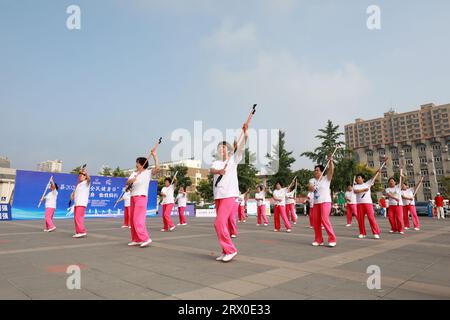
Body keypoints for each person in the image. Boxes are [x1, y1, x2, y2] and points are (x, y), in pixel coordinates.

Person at [210, 123, 248, 263]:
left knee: (219, 223)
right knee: (220, 224)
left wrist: (245, 134)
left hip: (229, 195)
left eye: (224, 147)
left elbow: (242, 146)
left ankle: (231, 249)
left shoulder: (234, 159)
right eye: (220, 148)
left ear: (230, 150)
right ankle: (225, 250)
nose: (222, 149)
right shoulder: (216, 163)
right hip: (218, 196)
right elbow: (212, 171)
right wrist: (219, 171)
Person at [126, 150, 160, 248]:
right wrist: (132, 180)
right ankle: (136, 239)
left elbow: (157, 168)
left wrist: (155, 156)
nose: (136, 165)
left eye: (137, 163)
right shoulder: (134, 173)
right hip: (133, 197)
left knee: (138, 219)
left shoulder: (147, 173)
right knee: (132, 220)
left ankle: (145, 238)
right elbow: (127, 182)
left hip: (141, 197)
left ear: (142, 164)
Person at [309, 154, 337, 247]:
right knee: (316, 222)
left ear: (321, 171)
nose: (315, 172)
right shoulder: (312, 180)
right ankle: (318, 239)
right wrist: (312, 187)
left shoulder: (326, 179)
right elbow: (310, 188)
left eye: (317, 170)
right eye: (315, 170)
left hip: (325, 201)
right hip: (316, 203)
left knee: (324, 220)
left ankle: (332, 239)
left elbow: (331, 170)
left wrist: (331, 161)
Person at [352, 170, 382, 239]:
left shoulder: (367, 183)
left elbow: (373, 177)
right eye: (357, 178)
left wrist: (377, 172)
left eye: (359, 177)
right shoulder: (355, 186)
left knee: (371, 218)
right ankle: (362, 233)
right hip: (359, 204)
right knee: (360, 219)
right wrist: (364, 190)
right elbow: (356, 191)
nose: (357, 179)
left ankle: (375, 233)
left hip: (368, 203)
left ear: (363, 179)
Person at [69, 168, 90, 238]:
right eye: (79, 175)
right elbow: (75, 191)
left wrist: (85, 173)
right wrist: (72, 195)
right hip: (76, 203)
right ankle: (78, 231)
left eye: (82, 175)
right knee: (76, 218)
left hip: (81, 203)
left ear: (85, 177)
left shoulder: (87, 183)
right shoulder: (79, 184)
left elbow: (89, 179)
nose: (80, 176)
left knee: (78, 218)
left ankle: (81, 231)